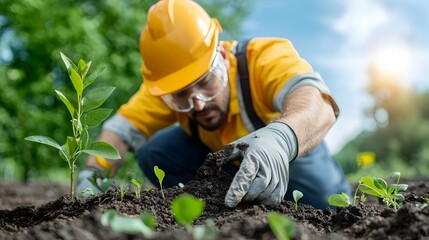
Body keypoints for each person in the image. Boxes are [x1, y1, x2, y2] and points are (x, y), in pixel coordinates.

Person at [76, 0, 351, 210]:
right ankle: (218, 206)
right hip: (220, 156)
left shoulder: (263, 59)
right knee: (154, 154)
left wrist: (281, 140)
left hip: (286, 155)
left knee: (327, 201)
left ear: (220, 53)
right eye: (182, 94)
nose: (197, 103)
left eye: (205, 81)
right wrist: (93, 175)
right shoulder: (169, 87)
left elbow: (316, 102)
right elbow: (119, 132)